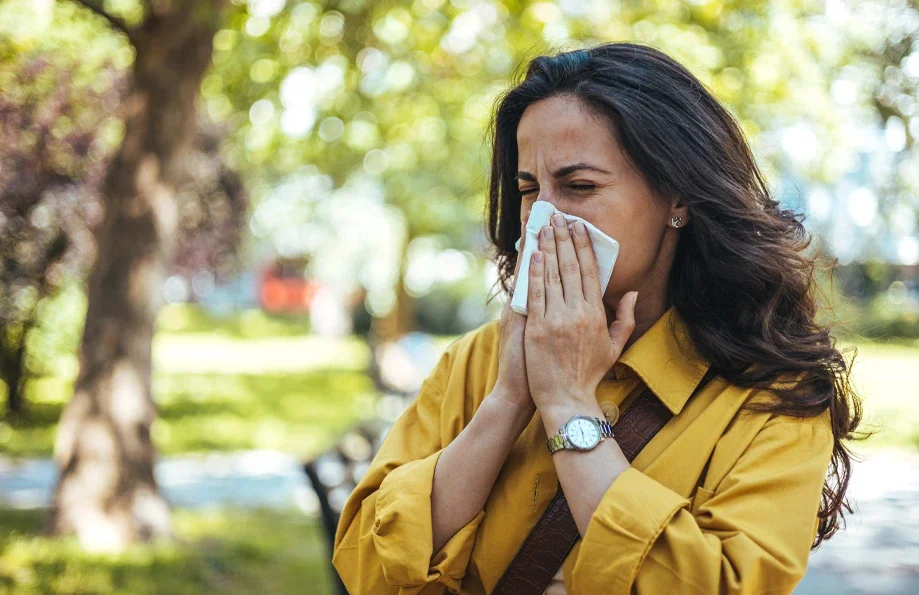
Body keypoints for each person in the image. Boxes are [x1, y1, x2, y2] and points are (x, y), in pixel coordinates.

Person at [332, 42, 862, 594]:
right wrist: (509, 399)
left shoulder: (772, 396)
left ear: (677, 197)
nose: (543, 216)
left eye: (580, 186)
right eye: (528, 188)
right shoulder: (478, 360)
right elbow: (366, 566)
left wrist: (567, 405)